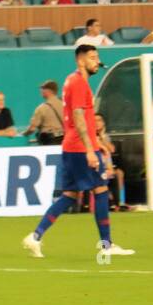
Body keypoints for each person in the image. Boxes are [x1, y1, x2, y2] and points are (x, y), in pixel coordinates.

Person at [22, 45, 134, 259]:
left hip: (72, 146)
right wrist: (90, 149)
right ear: (81, 60)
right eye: (93, 57)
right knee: (100, 189)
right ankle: (106, 244)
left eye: (97, 57)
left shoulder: (71, 81)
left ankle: (35, 237)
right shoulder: (79, 83)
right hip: (81, 149)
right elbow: (78, 118)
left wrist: (95, 142)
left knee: (69, 195)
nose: (97, 62)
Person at [23, 80, 63, 145]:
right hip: (64, 140)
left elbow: (32, 128)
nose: (41, 91)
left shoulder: (42, 108)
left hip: (50, 141)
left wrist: (24, 134)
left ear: (49, 91)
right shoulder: (64, 104)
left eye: (43, 88)